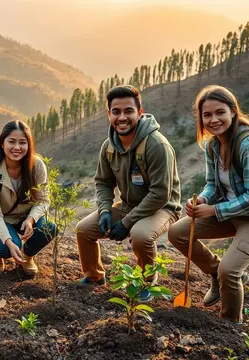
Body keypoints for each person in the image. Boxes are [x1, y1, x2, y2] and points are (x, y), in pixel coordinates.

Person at [168, 85, 249, 323]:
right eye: (207, 115)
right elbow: (212, 184)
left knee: (229, 271)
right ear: (201, 118)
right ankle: (214, 273)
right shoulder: (213, 145)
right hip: (229, 211)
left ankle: (231, 326)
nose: (214, 120)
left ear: (233, 111)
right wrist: (203, 199)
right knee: (177, 233)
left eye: (220, 112)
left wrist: (213, 210)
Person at [75, 85, 182, 301]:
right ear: (109, 114)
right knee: (84, 229)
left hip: (162, 208)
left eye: (128, 111)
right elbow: (103, 182)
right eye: (116, 112)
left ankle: (146, 283)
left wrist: (126, 223)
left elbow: (160, 194)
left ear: (139, 113)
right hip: (128, 206)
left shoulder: (157, 145)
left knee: (141, 236)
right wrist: (105, 210)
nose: (122, 117)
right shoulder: (109, 147)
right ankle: (94, 276)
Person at [0, 120, 56, 277]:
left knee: (49, 228)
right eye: (11, 142)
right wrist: (8, 241)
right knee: (7, 248)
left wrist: (31, 220)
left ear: (29, 145)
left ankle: (27, 257)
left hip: (25, 217)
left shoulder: (37, 165)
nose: (17, 147)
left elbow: (43, 200)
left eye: (22, 142)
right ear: (2, 143)